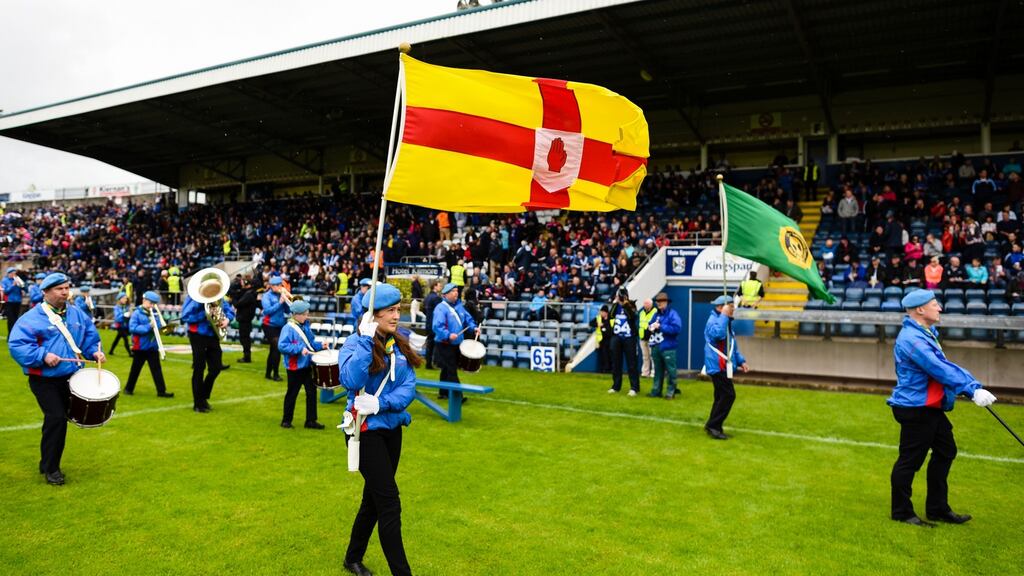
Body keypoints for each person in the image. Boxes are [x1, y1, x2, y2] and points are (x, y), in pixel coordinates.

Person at [887, 289, 997, 526]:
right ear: (920, 309)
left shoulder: (925, 333)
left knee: (946, 451)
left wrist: (972, 386)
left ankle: (937, 508)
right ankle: (902, 512)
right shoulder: (912, 339)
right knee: (910, 461)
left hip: (930, 407)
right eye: (935, 304)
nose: (940, 308)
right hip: (917, 408)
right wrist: (972, 388)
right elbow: (938, 367)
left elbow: (944, 366)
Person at [339, 283, 420, 576]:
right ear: (373, 315)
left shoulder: (399, 346)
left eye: (398, 310)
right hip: (363, 432)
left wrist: (380, 403)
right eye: (390, 311)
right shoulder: (354, 343)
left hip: (390, 428)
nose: (397, 316)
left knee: (372, 499)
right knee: (389, 503)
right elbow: (350, 379)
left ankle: (352, 558)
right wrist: (364, 340)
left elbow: (408, 389)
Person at [8, 273, 105, 485]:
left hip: (70, 377)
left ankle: (46, 462)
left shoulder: (77, 314)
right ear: (46, 292)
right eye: (59, 289)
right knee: (57, 419)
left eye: (66, 288)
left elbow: (90, 338)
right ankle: (52, 470)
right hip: (44, 380)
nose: (65, 292)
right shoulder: (31, 318)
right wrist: (42, 355)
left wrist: (95, 352)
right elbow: (17, 346)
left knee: (55, 421)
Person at [181, 288, 235, 412]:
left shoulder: (217, 297)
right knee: (199, 369)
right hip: (197, 335)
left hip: (212, 335)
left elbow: (229, 311)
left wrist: (227, 319)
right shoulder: (193, 297)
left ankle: (203, 395)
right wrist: (204, 313)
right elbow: (185, 316)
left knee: (216, 368)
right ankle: (198, 404)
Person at [703, 295, 749, 440]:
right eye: (730, 306)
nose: (733, 309)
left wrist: (741, 361)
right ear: (720, 307)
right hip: (717, 365)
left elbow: (732, 346)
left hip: (722, 365)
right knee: (728, 395)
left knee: (720, 396)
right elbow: (717, 334)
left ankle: (712, 425)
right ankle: (714, 426)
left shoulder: (726, 321)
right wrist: (724, 315)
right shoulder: (714, 320)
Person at [277, 299, 325, 429]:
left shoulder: (306, 326)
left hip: (307, 365)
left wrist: (321, 346)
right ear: (296, 315)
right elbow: (282, 346)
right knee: (292, 393)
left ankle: (311, 420)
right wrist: (299, 349)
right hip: (295, 367)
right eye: (304, 314)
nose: (306, 316)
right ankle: (286, 420)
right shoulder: (288, 328)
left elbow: (310, 344)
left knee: (311, 393)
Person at [431, 283, 478, 401]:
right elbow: (437, 326)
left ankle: (443, 392)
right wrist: (447, 335)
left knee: (447, 369)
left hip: (456, 344)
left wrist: (474, 327)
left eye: (457, 291)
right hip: (444, 344)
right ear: (445, 294)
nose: (456, 293)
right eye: (453, 291)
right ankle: (458, 397)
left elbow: (468, 319)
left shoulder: (459, 306)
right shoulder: (441, 308)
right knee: (451, 370)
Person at [125, 291, 174, 398]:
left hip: (152, 346)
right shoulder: (137, 313)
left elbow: (160, 327)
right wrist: (148, 326)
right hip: (140, 347)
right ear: (144, 301)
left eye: (154, 304)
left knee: (157, 369)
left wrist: (162, 325)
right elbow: (132, 328)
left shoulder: (155, 313)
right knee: (135, 369)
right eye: (150, 303)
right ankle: (128, 389)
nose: (152, 306)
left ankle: (161, 391)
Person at [647, 292, 682, 399]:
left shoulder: (673, 314)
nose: (659, 303)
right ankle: (656, 391)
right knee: (658, 370)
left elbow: (677, 329)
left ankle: (670, 392)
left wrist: (661, 326)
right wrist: (650, 327)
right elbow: (650, 324)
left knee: (671, 371)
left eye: (661, 301)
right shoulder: (656, 314)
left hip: (668, 346)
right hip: (656, 345)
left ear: (666, 302)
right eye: (657, 302)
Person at [607, 289, 640, 396]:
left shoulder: (631, 304)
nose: (619, 298)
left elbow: (632, 316)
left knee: (632, 363)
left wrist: (625, 304)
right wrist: (615, 303)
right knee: (616, 363)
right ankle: (616, 386)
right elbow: (611, 315)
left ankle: (634, 387)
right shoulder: (616, 305)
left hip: (629, 337)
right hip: (617, 336)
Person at [261, 276, 289, 382]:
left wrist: (286, 301)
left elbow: (287, 311)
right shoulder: (266, 296)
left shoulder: (280, 295)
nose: (278, 287)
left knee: (273, 350)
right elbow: (267, 311)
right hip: (269, 325)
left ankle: (268, 373)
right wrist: (280, 303)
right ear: (271, 286)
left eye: (280, 285)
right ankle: (275, 374)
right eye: (276, 285)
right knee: (277, 349)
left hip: (280, 326)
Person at [233, 276, 258, 363]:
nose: (241, 284)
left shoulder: (249, 294)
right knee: (245, 338)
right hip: (246, 319)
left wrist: (234, 297)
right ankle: (246, 356)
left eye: (243, 282)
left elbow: (237, 304)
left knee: (244, 338)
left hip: (245, 319)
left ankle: (247, 357)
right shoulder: (250, 293)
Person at [422, 280, 442, 370]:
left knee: (430, 344)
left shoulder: (427, 297)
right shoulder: (436, 298)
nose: (440, 287)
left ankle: (429, 363)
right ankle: (431, 363)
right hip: (433, 324)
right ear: (435, 286)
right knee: (433, 345)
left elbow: (424, 310)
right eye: (439, 286)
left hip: (428, 323)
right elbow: (439, 312)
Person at [2, 267, 26, 334]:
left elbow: (24, 287)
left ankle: (14, 334)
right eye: (12, 273)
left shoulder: (17, 279)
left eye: (14, 273)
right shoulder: (4, 280)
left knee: (16, 319)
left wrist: (23, 289)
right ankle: (10, 335)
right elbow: (6, 291)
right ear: (9, 273)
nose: (14, 274)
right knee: (11, 320)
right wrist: (13, 285)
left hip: (18, 301)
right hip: (9, 302)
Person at [637, 298, 657, 378]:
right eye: (644, 303)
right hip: (642, 337)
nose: (645, 305)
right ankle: (645, 372)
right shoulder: (641, 312)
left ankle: (653, 372)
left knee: (653, 356)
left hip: (651, 337)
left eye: (646, 303)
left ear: (651, 304)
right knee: (645, 356)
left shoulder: (655, 311)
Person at [592, 305, 611, 373]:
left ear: (606, 313)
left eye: (602, 312)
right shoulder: (598, 318)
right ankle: (604, 369)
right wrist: (598, 324)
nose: (601, 313)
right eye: (601, 312)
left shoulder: (610, 319)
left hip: (609, 339)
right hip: (601, 340)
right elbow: (591, 323)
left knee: (608, 355)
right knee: (603, 355)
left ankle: (608, 369)